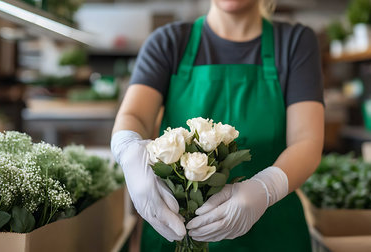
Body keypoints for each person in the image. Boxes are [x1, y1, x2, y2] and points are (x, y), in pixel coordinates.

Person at [111, 0, 324, 251]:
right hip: (177, 235)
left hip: (273, 234)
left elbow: (307, 141)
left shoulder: (294, 42)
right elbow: (135, 115)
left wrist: (267, 188)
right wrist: (129, 149)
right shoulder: (169, 42)